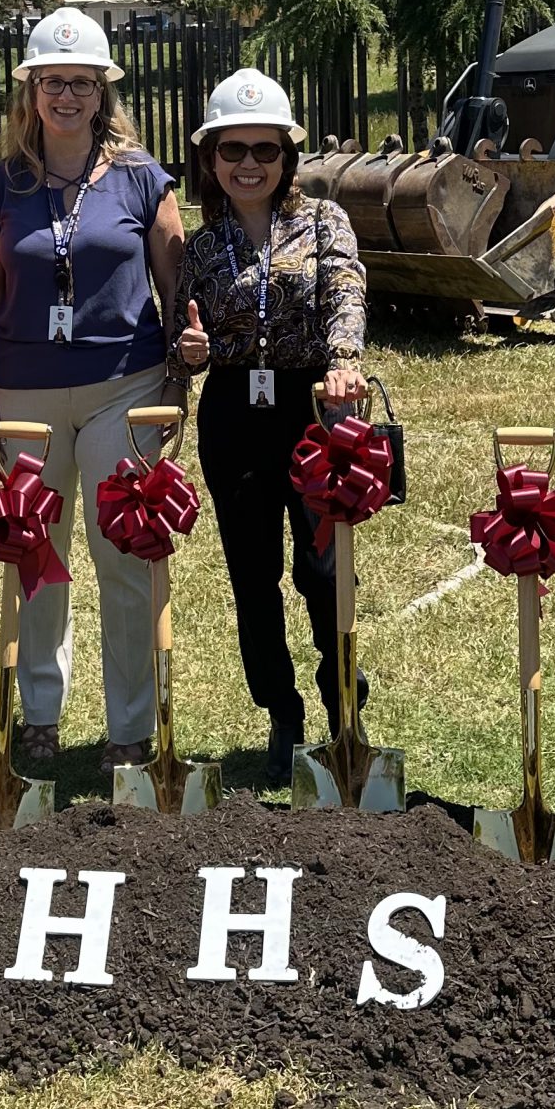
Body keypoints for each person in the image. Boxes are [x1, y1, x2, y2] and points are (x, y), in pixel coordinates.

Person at [0, 7, 186, 775]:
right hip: (24, 392)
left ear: (103, 92)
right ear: (30, 90)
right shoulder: (0, 186)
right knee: (35, 553)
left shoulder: (143, 177)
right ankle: (40, 713)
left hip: (124, 386)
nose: (66, 96)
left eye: (82, 83)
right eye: (53, 81)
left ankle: (130, 722)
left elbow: (175, 286)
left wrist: (178, 380)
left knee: (122, 551)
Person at [172, 68, 369, 787]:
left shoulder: (324, 222)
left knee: (323, 569)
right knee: (252, 575)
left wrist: (344, 360)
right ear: (211, 160)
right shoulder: (202, 248)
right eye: (233, 150)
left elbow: (346, 290)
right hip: (233, 413)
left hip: (311, 407)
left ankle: (344, 704)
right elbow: (180, 339)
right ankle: (281, 713)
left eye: (265, 149)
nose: (249, 164)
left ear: (287, 156)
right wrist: (190, 351)